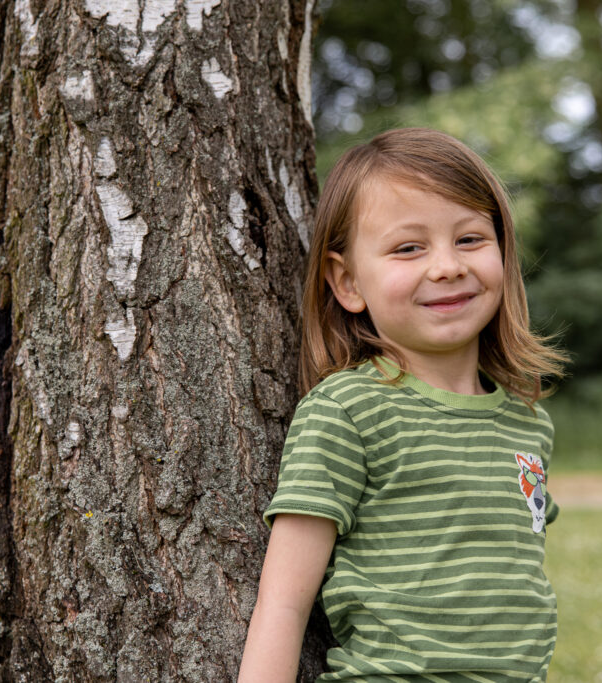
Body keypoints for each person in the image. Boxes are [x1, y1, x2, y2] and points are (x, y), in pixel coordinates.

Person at [238, 128, 567, 682]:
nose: (447, 266)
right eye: (408, 247)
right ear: (347, 283)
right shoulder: (347, 410)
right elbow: (283, 603)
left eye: (469, 240)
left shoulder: (527, 422)